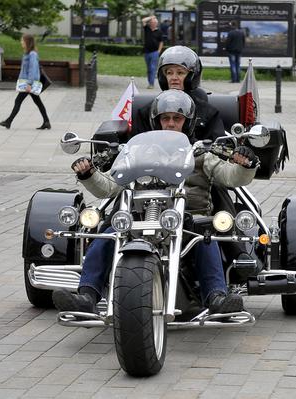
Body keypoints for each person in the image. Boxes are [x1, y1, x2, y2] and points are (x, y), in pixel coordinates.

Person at [52, 90, 260, 315]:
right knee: (108, 234)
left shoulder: (200, 154)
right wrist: (89, 174)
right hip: (140, 220)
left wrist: (245, 165)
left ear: (187, 122)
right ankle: (87, 296)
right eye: (165, 118)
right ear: (156, 121)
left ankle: (216, 297)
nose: (170, 124)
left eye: (177, 119)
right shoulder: (137, 154)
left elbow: (229, 176)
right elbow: (111, 186)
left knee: (204, 238)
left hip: (188, 221)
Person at [132, 45, 225, 141]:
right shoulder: (146, 112)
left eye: (180, 73)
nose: (174, 78)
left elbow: (218, 146)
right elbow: (135, 146)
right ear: (163, 77)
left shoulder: (209, 113)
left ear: (192, 76)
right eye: (169, 73)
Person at [0, 34, 51, 130]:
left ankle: (8, 121)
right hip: (27, 82)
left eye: (23, 41)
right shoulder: (28, 53)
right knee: (38, 102)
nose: (21, 42)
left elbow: (32, 70)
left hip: (29, 83)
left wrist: (29, 84)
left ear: (28, 42)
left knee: (18, 101)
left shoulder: (32, 54)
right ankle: (46, 122)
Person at [142, 15, 163, 89]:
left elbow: (161, 42)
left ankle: (151, 84)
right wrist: (151, 17)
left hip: (154, 52)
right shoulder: (147, 29)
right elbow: (143, 20)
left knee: (152, 67)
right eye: (152, 22)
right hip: (146, 52)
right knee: (148, 69)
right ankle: (150, 82)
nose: (153, 23)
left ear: (156, 24)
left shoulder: (159, 32)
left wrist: (159, 51)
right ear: (150, 23)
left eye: (154, 22)